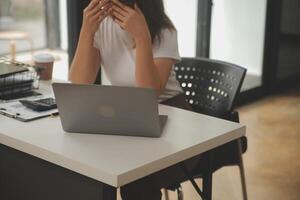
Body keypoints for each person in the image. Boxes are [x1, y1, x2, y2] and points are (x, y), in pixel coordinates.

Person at [69, 0, 197, 199]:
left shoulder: (164, 31)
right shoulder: (103, 27)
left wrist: (142, 36)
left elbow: (151, 93)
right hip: (129, 115)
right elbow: (79, 82)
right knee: (89, 163)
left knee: (136, 177)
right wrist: (87, 32)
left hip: (171, 115)